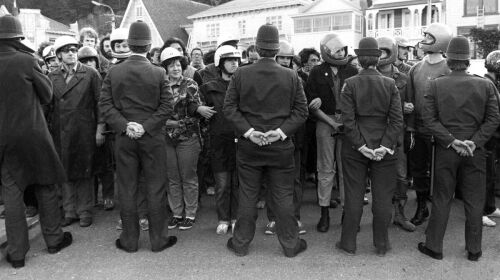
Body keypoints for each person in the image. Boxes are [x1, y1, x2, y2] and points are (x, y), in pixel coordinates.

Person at [224, 24, 308, 257]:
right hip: (280, 146)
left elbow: (229, 108)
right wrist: (280, 132)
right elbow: (301, 112)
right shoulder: (291, 75)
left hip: (250, 145)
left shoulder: (241, 73)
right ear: (276, 48)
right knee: (282, 196)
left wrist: (250, 132)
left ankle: (240, 243)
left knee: (248, 195)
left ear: (258, 47)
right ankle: (290, 245)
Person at [418, 36, 500, 262]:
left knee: (442, 197)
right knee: (474, 199)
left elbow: (428, 118)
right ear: (468, 59)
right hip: (475, 150)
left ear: (448, 57)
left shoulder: (435, 84)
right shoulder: (485, 85)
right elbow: (494, 119)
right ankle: (474, 250)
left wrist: (451, 140)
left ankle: (434, 247)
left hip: (446, 150)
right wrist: (475, 141)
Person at [0, 14, 72, 268]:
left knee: (12, 192)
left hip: (3, 141)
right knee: (46, 186)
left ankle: (17, 254)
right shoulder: (26, 60)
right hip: (33, 135)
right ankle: (54, 240)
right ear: (18, 37)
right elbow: (48, 94)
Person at [99, 20, 177, 252]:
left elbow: (105, 104)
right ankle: (158, 240)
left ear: (129, 44)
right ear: (149, 44)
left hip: (125, 138)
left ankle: (129, 241)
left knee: (127, 187)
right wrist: (146, 126)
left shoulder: (114, 72)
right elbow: (167, 105)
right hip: (152, 138)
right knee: (155, 187)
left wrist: (125, 125)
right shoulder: (158, 72)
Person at [336, 37, 403, 257]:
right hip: (384, 145)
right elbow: (396, 121)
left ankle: (348, 243)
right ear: (377, 58)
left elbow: (347, 120)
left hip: (355, 147)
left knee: (354, 195)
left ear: (359, 59)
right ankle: (382, 244)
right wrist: (384, 145)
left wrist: (360, 145)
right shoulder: (390, 83)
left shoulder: (350, 83)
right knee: (383, 197)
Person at [47, 35, 103, 228]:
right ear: (59, 55)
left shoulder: (90, 74)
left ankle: (85, 210)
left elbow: (100, 105)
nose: (71, 53)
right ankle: (69, 211)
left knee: (84, 171)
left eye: (73, 49)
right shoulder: (51, 76)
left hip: (84, 130)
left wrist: (100, 130)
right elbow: (47, 106)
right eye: (66, 50)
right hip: (59, 132)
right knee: (64, 171)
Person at [307, 33, 358, 233]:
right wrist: (331, 122)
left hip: (347, 123)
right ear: (327, 52)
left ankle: (347, 213)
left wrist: (345, 122)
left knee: (347, 170)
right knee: (325, 170)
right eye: (337, 50)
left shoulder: (352, 70)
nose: (341, 53)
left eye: (343, 49)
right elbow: (311, 105)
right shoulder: (317, 72)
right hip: (325, 122)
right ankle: (325, 213)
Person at [407, 23, 452, 226]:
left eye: (428, 37)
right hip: (419, 130)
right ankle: (422, 207)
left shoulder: (450, 68)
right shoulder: (415, 68)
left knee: (441, 174)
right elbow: (409, 99)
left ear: (439, 40)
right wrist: (410, 127)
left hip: (442, 132)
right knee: (418, 171)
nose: (423, 40)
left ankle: (439, 213)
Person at [160, 47, 209, 230]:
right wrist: (166, 124)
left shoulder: (190, 84)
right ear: (165, 67)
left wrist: (174, 124)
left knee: (188, 176)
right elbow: (155, 112)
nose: (176, 68)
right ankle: (176, 213)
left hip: (188, 137)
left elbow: (197, 112)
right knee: (172, 177)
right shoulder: (160, 85)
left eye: (178, 64)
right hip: (165, 138)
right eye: (171, 65)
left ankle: (190, 213)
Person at [265, 40, 307, 235]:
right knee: (272, 180)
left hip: (294, 138)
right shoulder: (265, 78)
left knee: (295, 180)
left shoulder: (298, 79)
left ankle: (294, 217)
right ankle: (273, 218)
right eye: (280, 57)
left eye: (287, 58)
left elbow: (301, 111)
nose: (284, 61)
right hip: (269, 137)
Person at [199, 45, 241, 234]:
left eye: (236, 60)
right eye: (229, 60)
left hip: (241, 140)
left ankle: (236, 217)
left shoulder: (243, 85)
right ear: (219, 62)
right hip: (218, 142)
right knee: (222, 184)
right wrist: (198, 110)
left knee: (238, 183)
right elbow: (194, 106)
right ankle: (223, 218)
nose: (234, 63)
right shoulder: (208, 88)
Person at [376, 37, 415, 232]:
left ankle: (399, 214)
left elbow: (411, 106)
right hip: (374, 133)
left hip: (398, 134)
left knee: (400, 175)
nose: (382, 56)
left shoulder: (404, 78)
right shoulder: (367, 75)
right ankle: (381, 215)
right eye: (379, 52)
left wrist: (409, 109)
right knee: (377, 175)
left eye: (385, 51)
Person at [482, 50, 500, 227]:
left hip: (492, 138)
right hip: (487, 138)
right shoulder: (487, 84)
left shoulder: (492, 83)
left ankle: (489, 207)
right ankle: (480, 212)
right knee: (484, 176)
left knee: (491, 175)